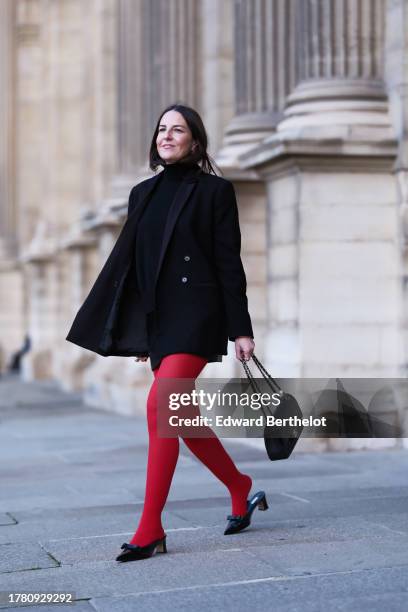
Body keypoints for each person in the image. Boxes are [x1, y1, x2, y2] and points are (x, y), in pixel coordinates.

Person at [66, 103, 269, 562]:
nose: (167, 136)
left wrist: (241, 329)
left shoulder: (216, 191)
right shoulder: (143, 193)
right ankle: (240, 486)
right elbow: (138, 268)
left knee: (161, 406)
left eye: (177, 130)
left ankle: (150, 527)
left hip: (198, 315)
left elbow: (228, 262)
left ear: (195, 141)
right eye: (161, 128)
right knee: (180, 415)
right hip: (162, 321)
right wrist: (140, 331)